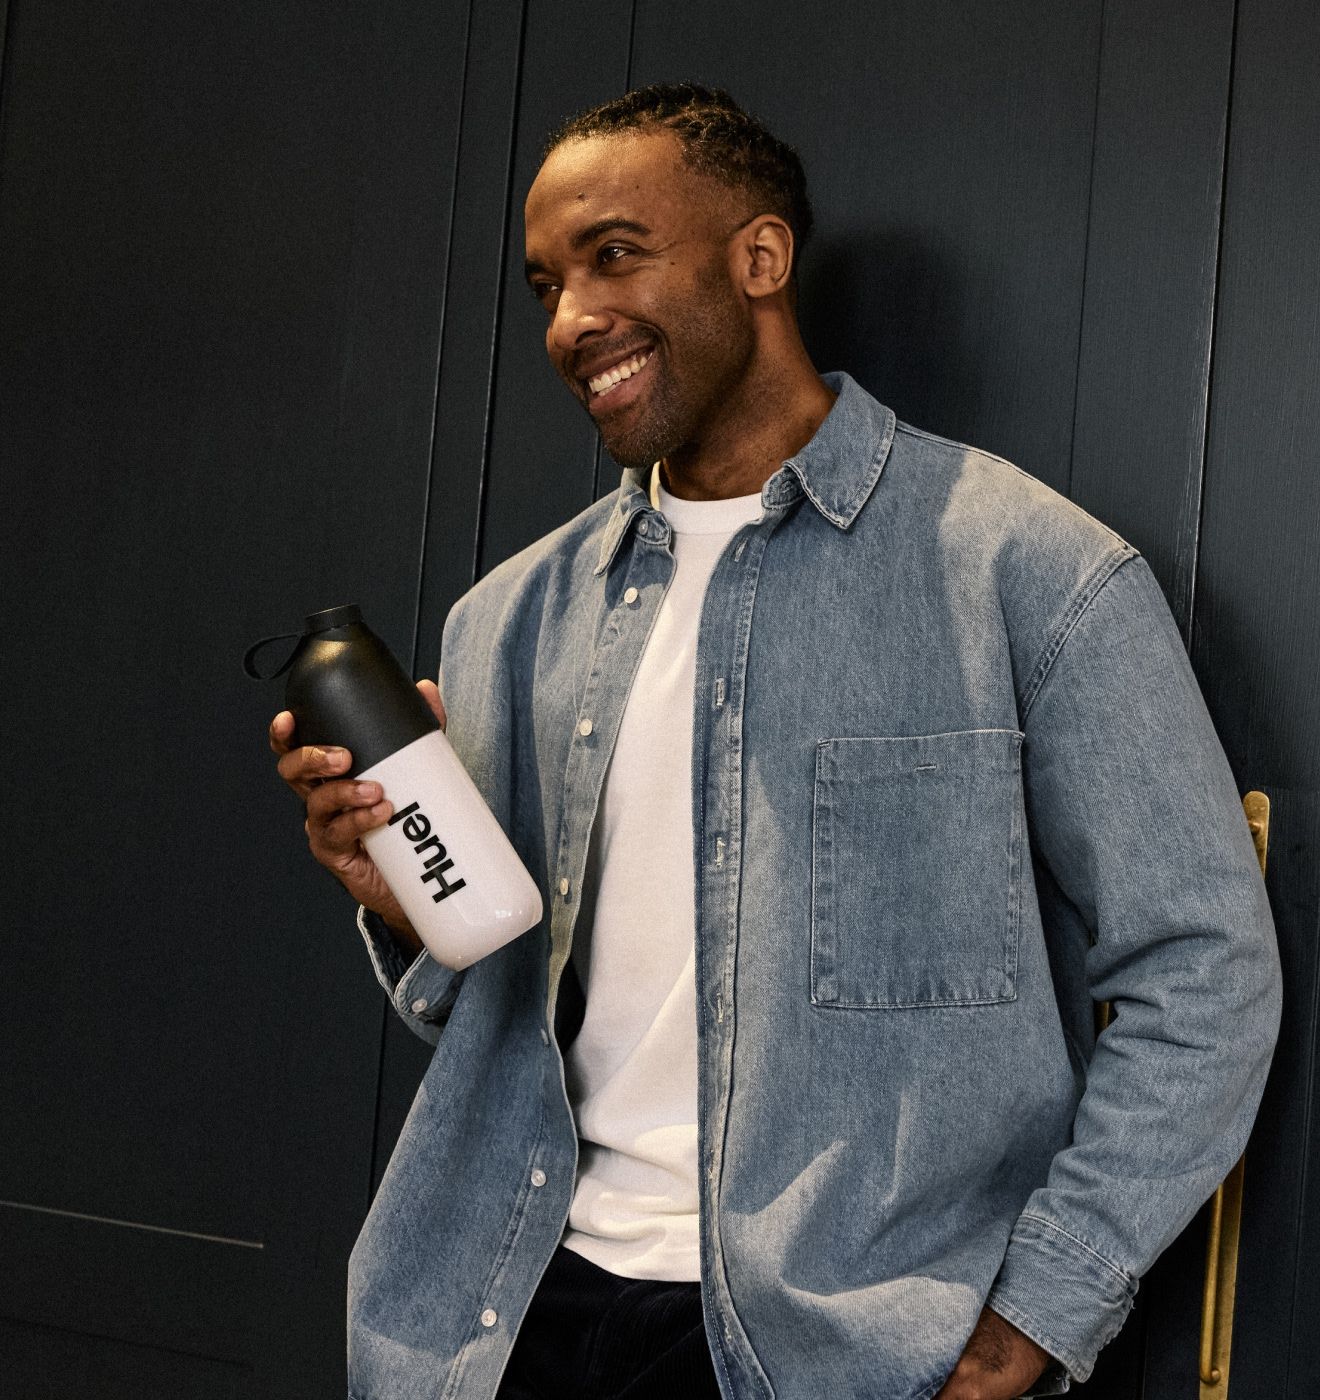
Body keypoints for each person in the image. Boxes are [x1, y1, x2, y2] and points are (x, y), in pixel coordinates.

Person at [269, 84, 1281, 1400]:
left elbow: (1207, 976)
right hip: (496, 1319)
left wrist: (1043, 1306)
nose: (573, 322)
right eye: (545, 285)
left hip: (832, 1351)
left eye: (615, 255)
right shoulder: (504, 622)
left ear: (760, 258)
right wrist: (404, 908)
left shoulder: (1027, 574)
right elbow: (506, 1014)